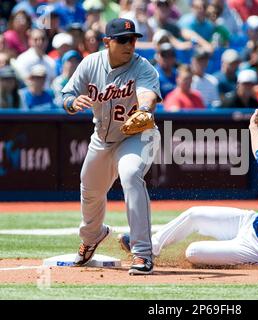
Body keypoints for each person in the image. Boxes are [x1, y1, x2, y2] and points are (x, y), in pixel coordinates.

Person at [118, 109, 258, 271]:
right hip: (250, 224)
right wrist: (253, 126)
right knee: (195, 213)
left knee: (193, 252)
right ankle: (150, 248)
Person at [61, 18, 161, 275]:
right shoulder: (91, 63)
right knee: (89, 188)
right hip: (102, 139)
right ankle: (93, 237)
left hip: (138, 135)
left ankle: (142, 253)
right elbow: (66, 96)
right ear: (107, 42)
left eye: (133, 39)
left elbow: (148, 95)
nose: (130, 44)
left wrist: (146, 109)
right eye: (123, 40)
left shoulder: (143, 67)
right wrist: (73, 102)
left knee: (130, 174)